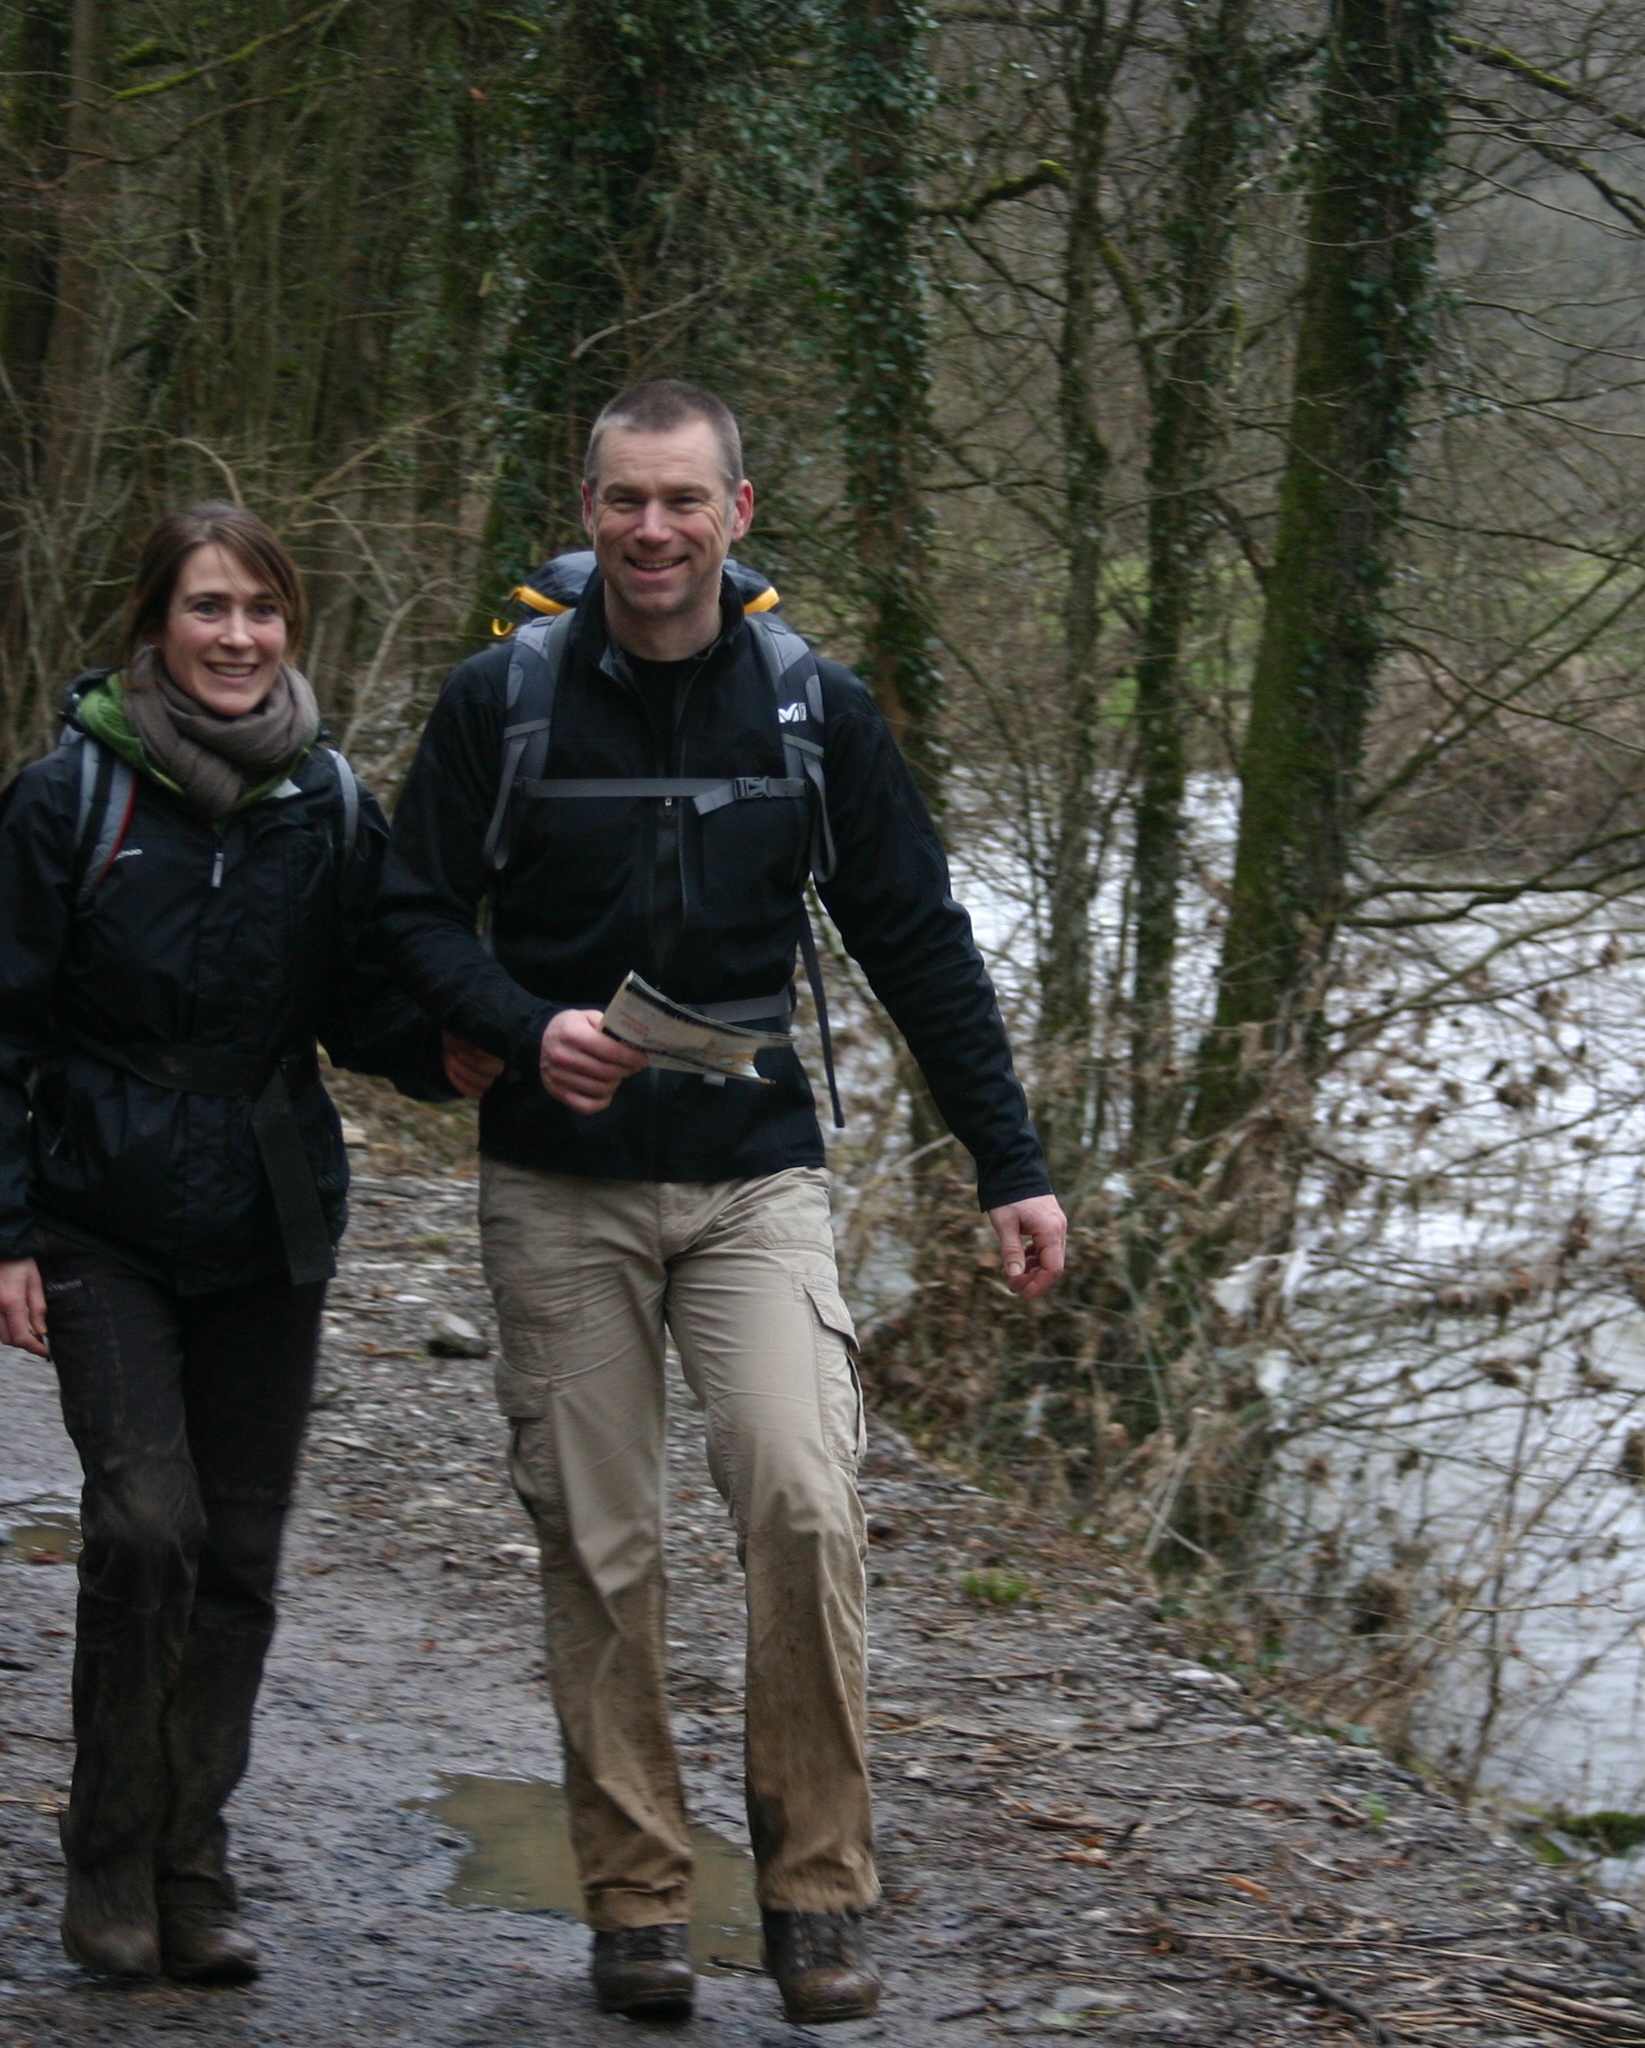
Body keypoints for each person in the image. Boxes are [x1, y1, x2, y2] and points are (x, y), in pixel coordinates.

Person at [377, 380, 1067, 2026]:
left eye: (683, 499)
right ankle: (636, 1904)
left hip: (756, 1178)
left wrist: (1011, 1162)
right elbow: (403, 909)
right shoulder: (502, 700)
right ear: (588, 507)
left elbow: (917, 938)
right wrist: (514, 1025)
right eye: (626, 498)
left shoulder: (813, 709)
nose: (653, 529)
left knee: (806, 1502)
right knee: (601, 1545)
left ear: (737, 514)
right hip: (558, 1183)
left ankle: (817, 1892)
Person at [0, 503, 441, 1985]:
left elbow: (368, 1007)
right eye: (208, 607)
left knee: (240, 1555)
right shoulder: (69, 798)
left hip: (271, 1220)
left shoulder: (327, 800)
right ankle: (107, 1850)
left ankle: (191, 1863)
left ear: (292, 626)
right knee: (147, 1526)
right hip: (100, 1215)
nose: (237, 635)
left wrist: (465, 1051)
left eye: (261, 610)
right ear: (153, 624)